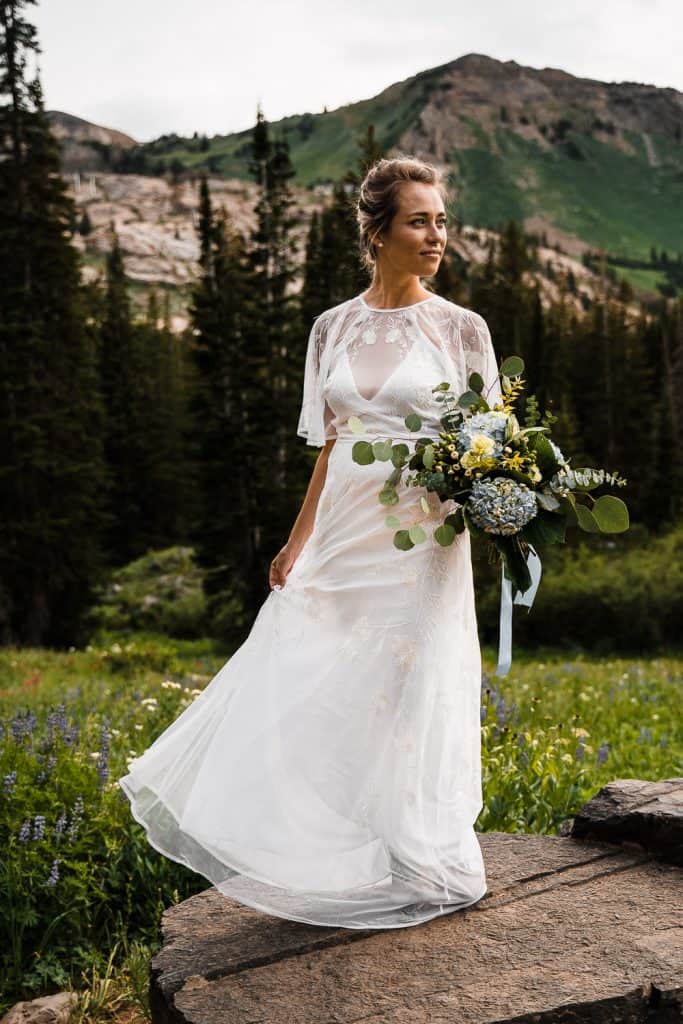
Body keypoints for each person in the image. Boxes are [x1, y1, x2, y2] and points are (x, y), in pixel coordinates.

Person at [118, 155, 503, 930]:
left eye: (441, 222)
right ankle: (333, 844)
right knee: (314, 668)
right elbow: (331, 445)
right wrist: (298, 543)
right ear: (377, 231)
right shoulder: (333, 326)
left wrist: (493, 497)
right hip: (344, 527)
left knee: (409, 676)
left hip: (423, 533)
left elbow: (493, 438)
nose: (436, 237)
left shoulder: (461, 328)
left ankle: (415, 844)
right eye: (418, 221)